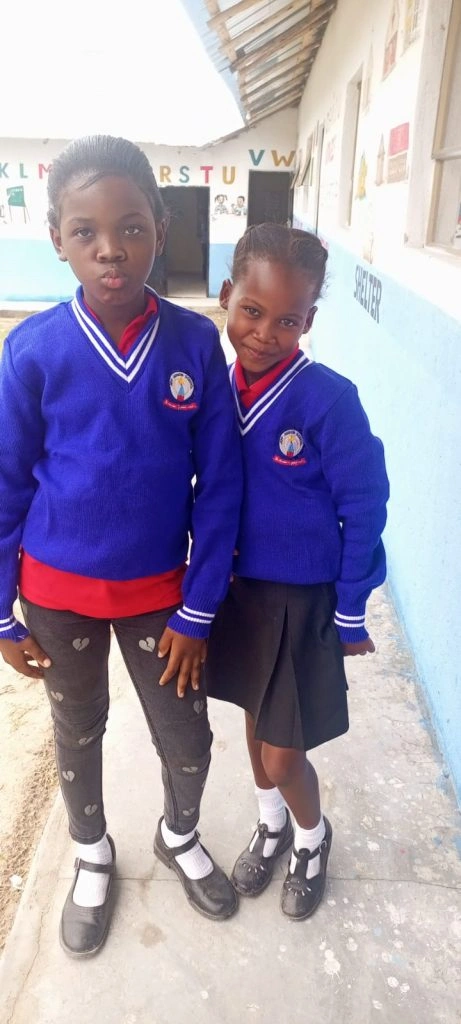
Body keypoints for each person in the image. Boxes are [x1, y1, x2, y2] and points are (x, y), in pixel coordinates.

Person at [0, 135, 242, 957]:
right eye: (86, 231)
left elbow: (222, 487)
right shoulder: (32, 350)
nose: (111, 250)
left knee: (186, 737)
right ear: (58, 238)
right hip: (56, 595)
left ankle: (178, 835)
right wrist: (2, 613)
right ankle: (92, 853)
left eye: (131, 227)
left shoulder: (193, 343)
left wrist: (199, 610)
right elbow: (5, 488)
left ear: (161, 226)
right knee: (77, 729)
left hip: (163, 599)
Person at [206, 223, 389, 921]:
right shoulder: (215, 392)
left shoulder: (327, 399)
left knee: (285, 753)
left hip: (302, 599)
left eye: (287, 320)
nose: (264, 332)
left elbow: (364, 504)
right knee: (254, 727)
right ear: (226, 296)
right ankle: (271, 822)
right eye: (251, 311)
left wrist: (350, 608)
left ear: (308, 321)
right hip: (238, 593)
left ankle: (311, 837)